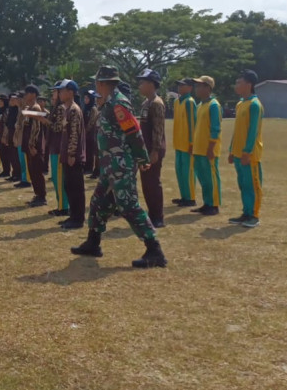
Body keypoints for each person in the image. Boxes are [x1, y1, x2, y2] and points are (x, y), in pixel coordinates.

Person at [71, 66, 168, 269]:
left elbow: (134, 133)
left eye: (97, 82)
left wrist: (142, 159)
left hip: (121, 164)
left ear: (104, 83)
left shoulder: (119, 104)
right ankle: (93, 242)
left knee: (128, 205)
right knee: (98, 202)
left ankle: (154, 250)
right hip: (109, 165)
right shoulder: (108, 102)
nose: (96, 85)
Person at [228, 70, 264, 228]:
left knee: (252, 185)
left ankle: (254, 216)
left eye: (239, 82)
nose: (236, 86)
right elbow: (237, 130)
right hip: (237, 153)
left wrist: (247, 152)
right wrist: (231, 150)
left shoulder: (255, 105)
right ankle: (246, 212)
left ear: (248, 85)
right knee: (242, 184)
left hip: (249, 155)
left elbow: (253, 131)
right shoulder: (240, 103)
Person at [54, 79, 87, 230]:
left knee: (76, 188)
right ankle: (73, 215)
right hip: (66, 154)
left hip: (73, 155)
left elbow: (75, 133)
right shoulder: (66, 109)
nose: (59, 93)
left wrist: (72, 154)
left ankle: (78, 218)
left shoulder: (74, 109)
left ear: (71, 92)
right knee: (69, 186)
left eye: (62, 90)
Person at [136, 69, 167, 228]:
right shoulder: (145, 103)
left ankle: (158, 216)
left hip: (152, 150)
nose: (140, 85)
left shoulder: (156, 103)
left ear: (151, 84)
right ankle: (152, 213)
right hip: (145, 149)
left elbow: (158, 129)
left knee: (153, 183)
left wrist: (154, 150)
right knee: (146, 183)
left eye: (143, 82)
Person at [191, 75, 222, 216]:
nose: (197, 88)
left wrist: (211, 148)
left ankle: (214, 205)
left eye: (200, 85)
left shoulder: (214, 105)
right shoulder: (200, 105)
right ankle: (207, 203)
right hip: (198, 148)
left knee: (211, 177)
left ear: (208, 88)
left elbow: (215, 128)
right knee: (203, 178)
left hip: (208, 149)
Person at [171, 78, 198, 208]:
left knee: (188, 171)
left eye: (183, 85)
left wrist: (192, 143)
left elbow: (192, 123)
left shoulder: (190, 102)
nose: (180, 87)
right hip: (178, 142)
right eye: (179, 85)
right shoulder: (177, 102)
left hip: (187, 143)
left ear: (190, 88)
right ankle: (184, 196)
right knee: (180, 170)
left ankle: (191, 198)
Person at [21, 85, 48, 208]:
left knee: (37, 171)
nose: (25, 96)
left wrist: (32, 145)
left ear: (33, 95)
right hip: (29, 145)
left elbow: (36, 129)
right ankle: (37, 194)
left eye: (27, 94)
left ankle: (41, 196)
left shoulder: (36, 108)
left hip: (35, 146)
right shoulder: (29, 108)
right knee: (32, 171)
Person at [45, 87, 68, 216]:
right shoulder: (55, 107)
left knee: (59, 178)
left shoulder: (60, 108)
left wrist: (45, 121)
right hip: (54, 147)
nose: (53, 94)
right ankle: (61, 204)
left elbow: (58, 127)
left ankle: (63, 207)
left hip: (59, 147)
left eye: (55, 91)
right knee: (55, 178)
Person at [12, 91, 31, 188]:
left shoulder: (26, 109)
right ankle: (23, 178)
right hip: (19, 138)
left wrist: (19, 125)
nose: (16, 100)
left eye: (18, 98)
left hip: (24, 139)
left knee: (25, 161)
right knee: (21, 161)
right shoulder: (20, 109)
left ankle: (26, 180)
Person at [4, 93, 23, 183]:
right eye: (11, 100)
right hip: (11, 132)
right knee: (11, 155)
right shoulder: (11, 110)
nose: (12, 101)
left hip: (16, 133)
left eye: (14, 100)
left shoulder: (19, 110)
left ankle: (18, 174)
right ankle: (14, 173)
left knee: (16, 156)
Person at [83, 89, 100, 179]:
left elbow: (92, 121)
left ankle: (90, 168)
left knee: (91, 151)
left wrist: (86, 130)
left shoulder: (93, 108)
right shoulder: (85, 108)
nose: (85, 100)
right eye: (84, 98)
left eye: (87, 98)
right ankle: (86, 167)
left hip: (91, 133)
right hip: (85, 133)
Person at [0, 94, 13, 178]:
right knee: (1, 154)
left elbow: (6, 125)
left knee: (7, 154)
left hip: (5, 136)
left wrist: (4, 136)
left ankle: (7, 171)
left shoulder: (7, 111)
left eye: (1, 101)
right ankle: (5, 170)